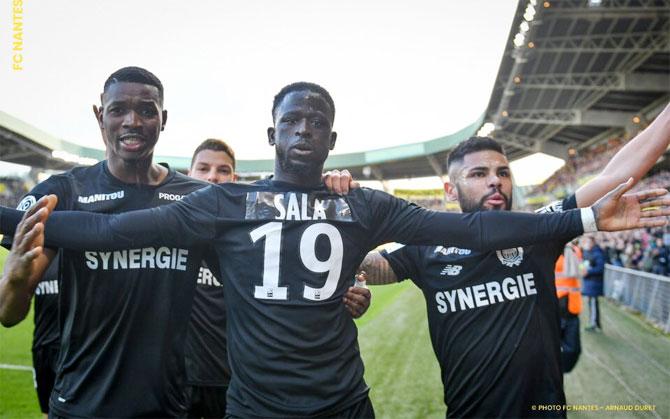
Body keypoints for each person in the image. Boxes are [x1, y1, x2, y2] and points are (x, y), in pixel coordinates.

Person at [1, 82, 667, 418]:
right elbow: (107, 231)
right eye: (292, 120)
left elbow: (471, 230)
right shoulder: (224, 202)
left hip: (343, 402)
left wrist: (577, 216)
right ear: (272, 131)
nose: (304, 129)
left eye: (317, 121)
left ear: (331, 137)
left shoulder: (364, 202)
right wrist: (16, 218)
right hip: (256, 406)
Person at [356, 104, 670, 417]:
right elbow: (363, 265)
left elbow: (614, 176)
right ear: (450, 190)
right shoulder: (425, 250)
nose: (496, 181)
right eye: (479, 173)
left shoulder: (541, 229)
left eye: (503, 173)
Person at [182, 138, 372, 417]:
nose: (213, 176)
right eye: (203, 169)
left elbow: (314, 281)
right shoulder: (179, 227)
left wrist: (323, 186)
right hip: (187, 382)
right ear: (188, 174)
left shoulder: (254, 229)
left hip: (249, 388)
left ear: (234, 179)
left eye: (223, 171)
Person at [554, 241, 582, 372]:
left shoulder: (573, 250)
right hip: (557, 305)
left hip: (570, 306)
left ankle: (561, 370)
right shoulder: (551, 250)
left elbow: (581, 271)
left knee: (573, 348)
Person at [581, 235, 605, 332]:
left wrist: (588, 272)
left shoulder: (597, 254)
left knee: (593, 304)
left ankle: (594, 324)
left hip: (594, 283)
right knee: (591, 304)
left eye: (588, 242)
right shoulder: (589, 253)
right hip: (590, 283)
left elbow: (600, 268)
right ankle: (595, 323)